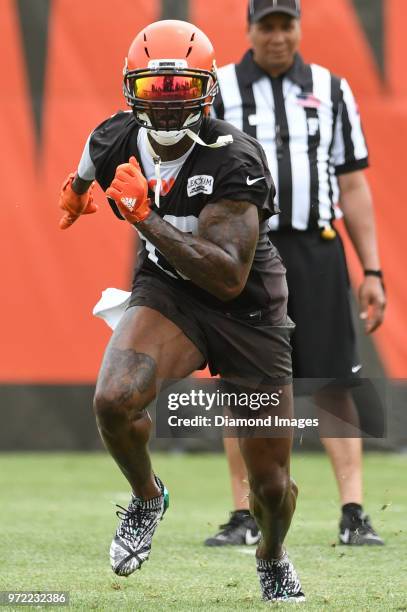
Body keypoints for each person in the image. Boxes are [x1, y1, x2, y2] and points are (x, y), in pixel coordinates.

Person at [58, 19, 305, 602]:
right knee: (114, 400)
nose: (166, 108)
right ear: (129, 90)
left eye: (180, 91)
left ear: (208, 89)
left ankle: (271, 553)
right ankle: (147, 497)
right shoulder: (116, 136)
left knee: (270, 486)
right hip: (170, 294)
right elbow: (92, 155)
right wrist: (75, 189)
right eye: (152, 91)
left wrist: (145, 217)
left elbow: (226, 276)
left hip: (247, 311)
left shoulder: (234, 157)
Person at [206, 0, 386, 548]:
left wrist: (372, 268)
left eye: (287, 25)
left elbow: (352, 183)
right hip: (244, 251)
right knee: (241, 386)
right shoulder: (217, 88)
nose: (278, 36)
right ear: (250, 28)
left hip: (316, 248)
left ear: (299, 27)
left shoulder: (332, 88)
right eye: (268, 25)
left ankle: (354, 512)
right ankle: (243, 514)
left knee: (333, 380)